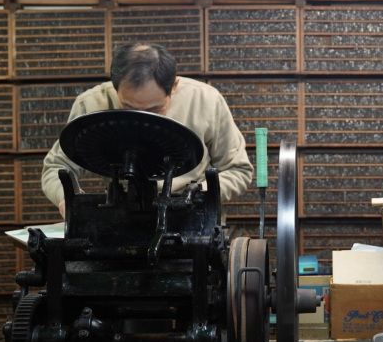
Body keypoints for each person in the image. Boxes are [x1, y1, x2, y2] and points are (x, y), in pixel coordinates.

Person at [41, 43, 253, 219]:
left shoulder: (206, 100)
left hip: (190, 217)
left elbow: (238, 170)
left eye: (155, 109)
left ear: (174, 86)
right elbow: (56, 167)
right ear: (115, 88)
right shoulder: (91, 104)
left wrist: (198, 194)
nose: (142, 118)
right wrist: (68, 197)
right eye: (128, 107)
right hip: (121, 218)